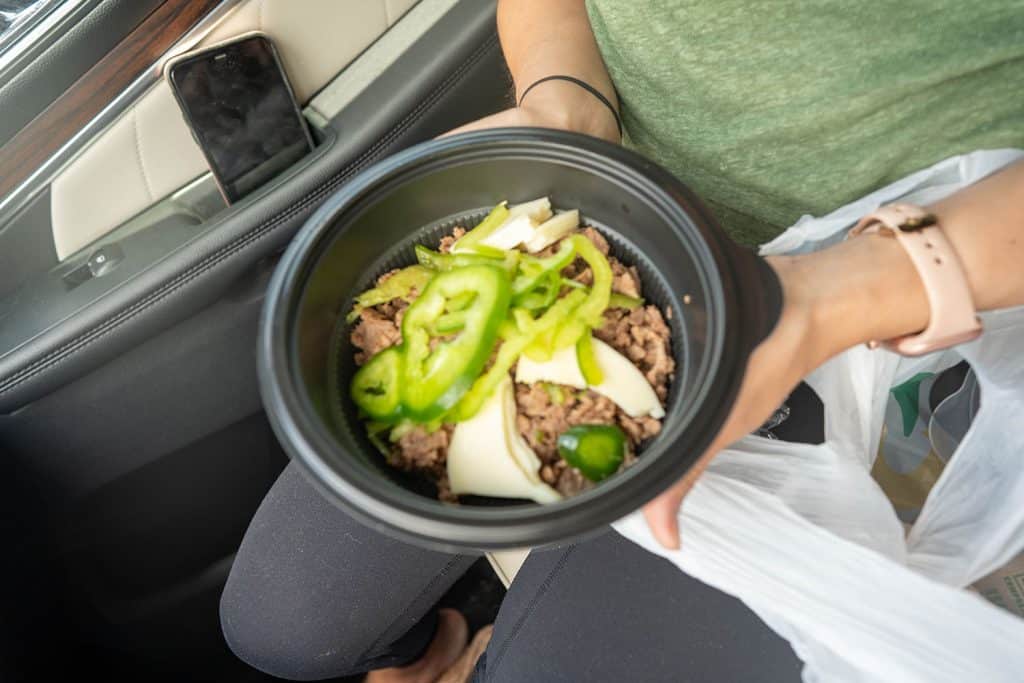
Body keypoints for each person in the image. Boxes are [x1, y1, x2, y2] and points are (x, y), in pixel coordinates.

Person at [220, 1, 1024, 680]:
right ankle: (452, 645)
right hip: (607, 215)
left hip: (892, 297)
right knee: (282, 620)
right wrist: (566, 103)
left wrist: (834, 297)